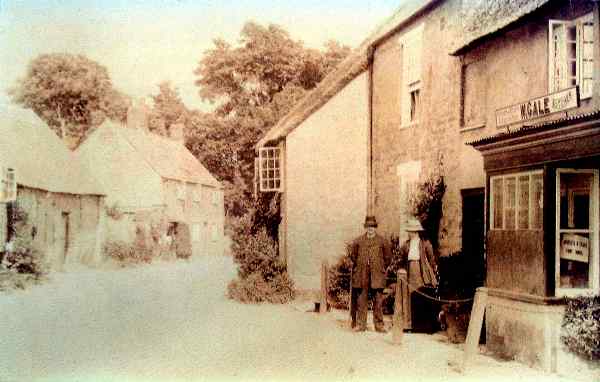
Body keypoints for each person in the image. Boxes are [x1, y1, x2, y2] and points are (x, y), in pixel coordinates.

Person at [349, 215, 391, 333]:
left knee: (378, 301)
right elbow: (353, 256)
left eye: (372, 226)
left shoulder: (382, 241)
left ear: (375, 228)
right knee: (361, 300)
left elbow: (388, 258)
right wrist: (361, 265)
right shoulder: (358, 241)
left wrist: (380, 268)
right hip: (362, 274)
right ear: (365, 227)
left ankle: (379, 326)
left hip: (377, 275)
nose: (370, 229)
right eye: (368, 226)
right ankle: (361, 325)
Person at [396, 218, 438, 331]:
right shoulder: (406, 245)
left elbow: (431, 260)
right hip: (409, 273)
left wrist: (433, 272)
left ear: (416, 232)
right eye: (409, 231)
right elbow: (402, 260)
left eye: (412, 231)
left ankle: (425, 327)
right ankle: (412, 325)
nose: (410, 233)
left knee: (423, 297)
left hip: (422, 273)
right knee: (411, 298)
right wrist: (402, 269)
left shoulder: (425, 243)